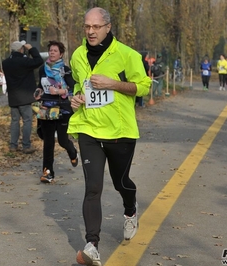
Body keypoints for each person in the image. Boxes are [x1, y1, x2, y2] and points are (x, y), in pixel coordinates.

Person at [68, 7, 151, 266]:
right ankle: (92, 244)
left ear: (107, 27)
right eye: (87, 27)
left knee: (121, 182)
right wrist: (76, 99)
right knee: (92, 188)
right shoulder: (77, 55)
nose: (90, 31)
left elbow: (144, 87)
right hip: (88, 129)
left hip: (120, 132)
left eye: (96, 27)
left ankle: (130, 209)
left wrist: (113, 84)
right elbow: (77, 85)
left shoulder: (127, 55)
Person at [34, 40, 78, 183]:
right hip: (47, 107)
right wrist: (38, 92)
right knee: (48, 142)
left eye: (55, 51)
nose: (52, 53)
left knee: (62, 140)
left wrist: (59, 91)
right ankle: (48, 172)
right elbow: (40, 85)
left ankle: (72, 151)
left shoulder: (65, 70)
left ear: (61, 54)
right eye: (50, 50)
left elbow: (73, 88)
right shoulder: (42, 69)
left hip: (63, 107)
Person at [2, 40, 43, 153]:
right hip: (25, 97)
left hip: (13, 97)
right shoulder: (24, 61)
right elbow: (38, 60)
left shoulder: (5, 63)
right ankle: (26, 145)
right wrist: (31, 49)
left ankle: (13, 145)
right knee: (27, 120)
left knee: (15, 121)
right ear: (21, 49)